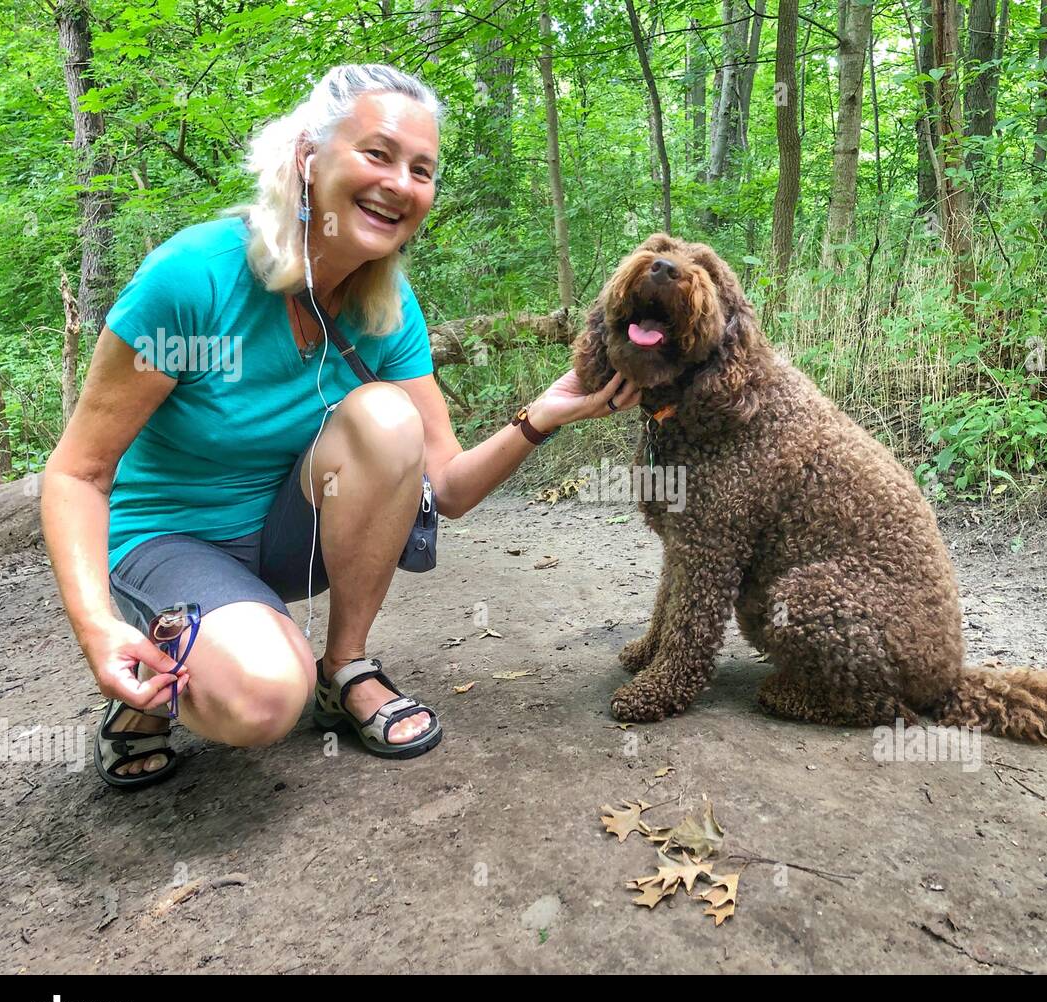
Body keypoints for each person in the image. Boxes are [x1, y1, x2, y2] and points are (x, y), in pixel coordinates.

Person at [41, 64, 640, 788]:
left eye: (422, 169)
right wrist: (94, 625)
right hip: (169, 541)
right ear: (307, 155)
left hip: (285, 536)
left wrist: (545, 413)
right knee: (263, 697)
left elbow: (444, 486)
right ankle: (157, 663)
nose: (401, 182)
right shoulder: (191, 276)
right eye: (378, 153)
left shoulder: (388, 310)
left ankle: (344, 665)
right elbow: (77, 472)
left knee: (388, 418)